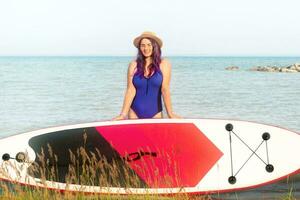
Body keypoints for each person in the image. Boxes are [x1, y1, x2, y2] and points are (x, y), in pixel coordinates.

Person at [114, 31, 180, 120]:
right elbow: (130, 90)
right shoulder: (133, 65)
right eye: (142, 45)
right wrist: (123, 114)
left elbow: (165, 89)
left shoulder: (164, 64)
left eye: (149, 45)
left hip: (155, 112)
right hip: (134, 112)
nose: (146, 48)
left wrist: (170, 113)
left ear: (154, 46)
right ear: (139, 48)